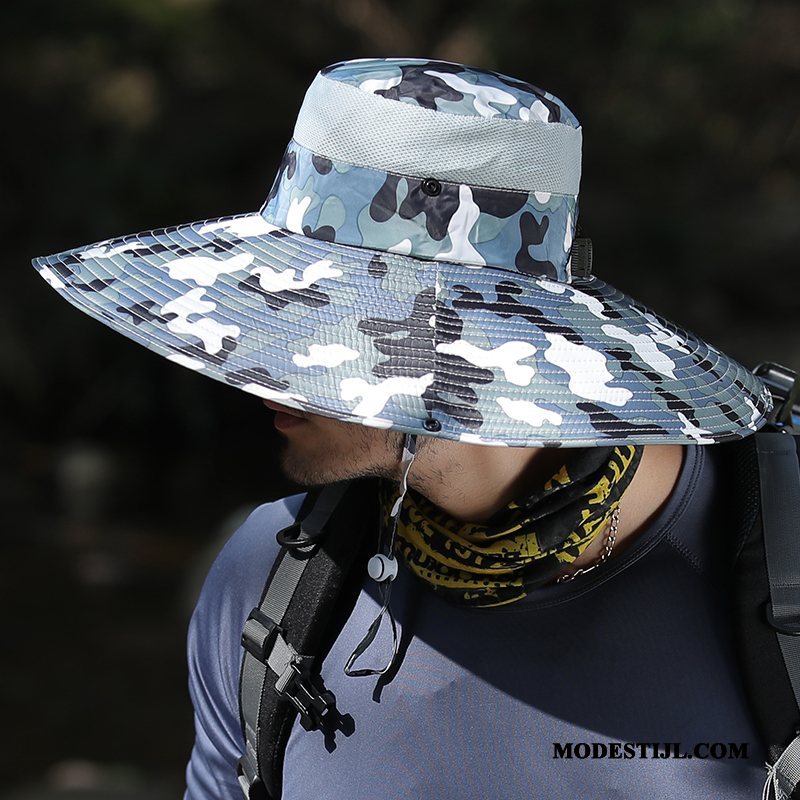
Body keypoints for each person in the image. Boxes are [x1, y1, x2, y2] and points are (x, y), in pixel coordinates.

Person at [34, 58, 774, 798]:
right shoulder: (266, 577)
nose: (255, 366)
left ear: (467, 338)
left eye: (316, 315)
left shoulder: (774, 567)